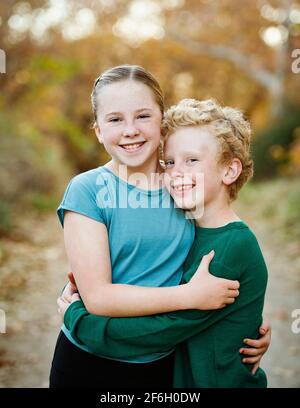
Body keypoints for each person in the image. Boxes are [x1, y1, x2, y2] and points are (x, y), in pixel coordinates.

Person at [51, 65, 270, 388]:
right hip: (90, 360)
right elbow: (98, 297)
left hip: (163, 363)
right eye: (115, 119)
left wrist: (242, 326)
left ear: (161, 120)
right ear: (97, 130)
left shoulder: (179, 188)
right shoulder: (88, 189)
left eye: (142, 116)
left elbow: (222, 249)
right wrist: (190, 297)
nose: (130, 130)